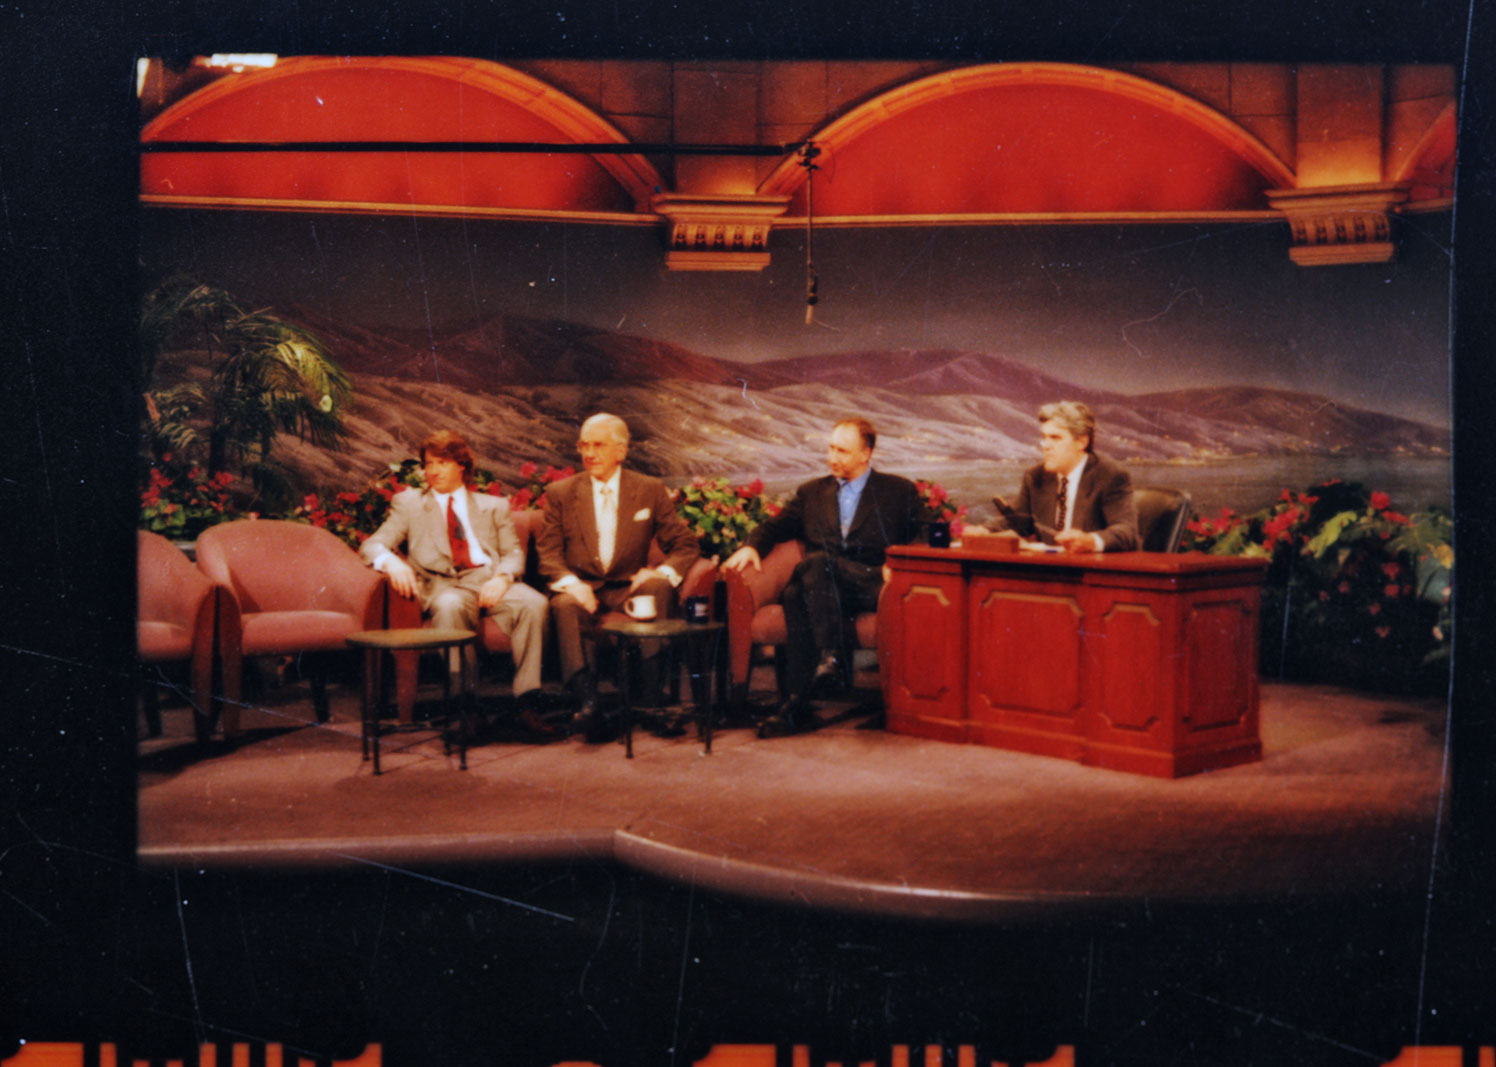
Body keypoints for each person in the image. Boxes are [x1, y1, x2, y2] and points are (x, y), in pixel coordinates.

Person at [723, 417, 922, 735]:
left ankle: (815, 679)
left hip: (870, 584)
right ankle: (801, 698)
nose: (832, 457)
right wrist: (752, 547)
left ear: (866, 453)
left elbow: (922, 536)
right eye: (830, 448)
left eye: (842, 451)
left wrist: (901, 565)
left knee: (809, 573)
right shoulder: (811, 492)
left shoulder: (898, 491)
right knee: (800, 586)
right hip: (821, 587)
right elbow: (774, 527)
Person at [361, 430, 552, 737]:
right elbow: (373, 545)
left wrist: (503, 578)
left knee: (534, 603)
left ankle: (526, 704)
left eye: (442, 463)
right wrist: (392, 562)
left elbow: (512, 553)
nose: (432, 471)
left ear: (462, 465)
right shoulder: (409, 505)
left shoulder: (494, 506)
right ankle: (467, 707)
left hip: (488, 579)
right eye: (428, 463)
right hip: (444, 586)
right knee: (449, 605)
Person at [536, 413, 701, 739]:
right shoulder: (561, 493)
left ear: (622, 451)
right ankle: (589, 705)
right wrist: (572, 584)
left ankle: (653, 704)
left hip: (629, 587)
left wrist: (662, 571)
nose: (589, 453)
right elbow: (549, 555)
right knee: (565, 604)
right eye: (584, 445)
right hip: (582, 587)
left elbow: (684, 544)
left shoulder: (648, 490)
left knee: (657, 587)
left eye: (598, 445)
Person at [984, 400, 1139, 552]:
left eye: (1055, 438)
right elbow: (1016, 521)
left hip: (1091, 571)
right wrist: (984, 530)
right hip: (1048, 569)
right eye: (1044, 437)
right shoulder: (1035, 476)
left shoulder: (1110, 476)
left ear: (1081, 442)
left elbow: (1126, 532)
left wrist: (1091, 541)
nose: (1045, 445)